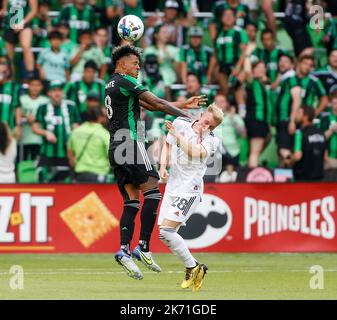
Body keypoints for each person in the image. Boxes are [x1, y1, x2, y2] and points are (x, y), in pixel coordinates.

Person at [107, 45, 207, 280]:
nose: (138, 67)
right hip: (131, 143)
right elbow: (158, 104)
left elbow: (150, 104)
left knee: (132, 202)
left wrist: (182, 105)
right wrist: (188, 117)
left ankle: (124, 251)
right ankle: (142, 246)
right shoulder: (125, 81)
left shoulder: (112, 84)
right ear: (122, 64)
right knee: (153, 192)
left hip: (115, 147)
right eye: (134, 63)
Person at [158, 104, 223, 291]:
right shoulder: (181, 123)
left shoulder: (211, 141)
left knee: (166, 231)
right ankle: (193, 266)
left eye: (210, 126)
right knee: (163, 232)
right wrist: (163, 167)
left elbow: (195, 152)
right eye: (206, 121)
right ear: (202, 115)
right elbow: (167, 145)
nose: (206, 127)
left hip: (190, 189)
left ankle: (192, 266)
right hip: (173, 187)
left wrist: (177, 137)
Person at [32, 80, 81, 182]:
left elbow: (76, 128)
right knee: (44, 183)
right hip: (47, 153)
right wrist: (46, 133)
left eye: (59, 90)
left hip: (66, 153)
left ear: (63, 92)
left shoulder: (71, 106)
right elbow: (35, 128)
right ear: (49, 93)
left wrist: (71, 138)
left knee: (66, 184)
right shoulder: (42, 107)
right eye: (54, 90)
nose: (57, 93)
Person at [208, 8, 248, 96]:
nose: (228, 17)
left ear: (235, 18)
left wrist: (238, 66)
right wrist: (209, 75)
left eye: (231, 15)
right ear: (221, 18)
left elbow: (244, 51)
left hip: (236, 65)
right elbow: (215, 55)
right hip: (222, 67)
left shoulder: (239, 32)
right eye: (226, 15)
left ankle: (241, 109)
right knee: (225, 92)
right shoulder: (219, 34)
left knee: (237, 88)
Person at [67, 106, 110, 182]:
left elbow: (70, 152)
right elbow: (111, 156)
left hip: (79, 175)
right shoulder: (104, 134)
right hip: (99, 175)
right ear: (100, 117)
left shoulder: (76, 131)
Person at [285, 105, 326, 181]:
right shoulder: (321, 133)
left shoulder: (299, 133)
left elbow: (297, 156)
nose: (296, 115)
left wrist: (289, 162)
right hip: (319, 178)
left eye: (299, 113)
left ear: (305, 117)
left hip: (303, 179)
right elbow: (324, 156)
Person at [274, 55, 301, 167]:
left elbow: (297, 99)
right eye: (280, 61)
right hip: (282, 121)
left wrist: (292, 120)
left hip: (287, 120)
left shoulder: (292, 78)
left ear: (292, 65)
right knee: (281, 151)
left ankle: (293, 172)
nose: (282, 63)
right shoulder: (284, 79)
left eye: (286, 61)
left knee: (284, 150)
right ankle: (283, 179)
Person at [1, 0, 38, 79]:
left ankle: (30, 74)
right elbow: (4, 10)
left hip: (25, 24)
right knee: (10, 56)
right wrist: (2, 13)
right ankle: (12, 79)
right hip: (9, 25)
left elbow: (34, 10)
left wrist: (22, 22)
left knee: (26, 46)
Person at [19, 76, 49, 161]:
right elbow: (16, 113)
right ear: (28, 86)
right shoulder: (21, 99)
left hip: (39, 139)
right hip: (23, 138)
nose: (35, 88)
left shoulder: (46, 101)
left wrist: (36, 119)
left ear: (42, 87)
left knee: (37, 164)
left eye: (38, 85)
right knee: (22, 164)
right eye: (32, 85)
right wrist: (25, 117)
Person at [0, 61, 21, 139]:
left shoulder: (14, 88)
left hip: (9, 129)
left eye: (3, 72)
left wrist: (18, 126)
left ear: (8, 72)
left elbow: (17, 107)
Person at [321, 91, 337, 169]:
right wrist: (332, 129)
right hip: (329, 158)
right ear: (330, 103)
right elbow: (321, 138)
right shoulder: (325, 118)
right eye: (335, 103)